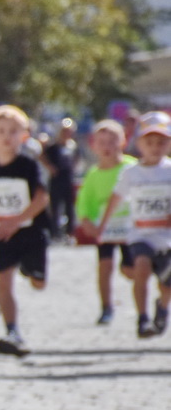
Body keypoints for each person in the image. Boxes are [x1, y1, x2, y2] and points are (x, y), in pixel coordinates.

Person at [0, 104, 50, 357]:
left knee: (38, 283)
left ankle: (32, 270)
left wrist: (16, 220)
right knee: (4, 283)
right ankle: (12, 331)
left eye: (13, 131)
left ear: (24, 135)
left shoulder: (29, 165)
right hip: (0, 234)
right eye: (0, 131)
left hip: (30, 233)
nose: (6, 136)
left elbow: (41, 199)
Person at [96, 110, 171, 338]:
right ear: (139, 143)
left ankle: (162, 307)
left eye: (161, 142)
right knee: (141, 267)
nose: (155, 147)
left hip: (167, 237)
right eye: (150, 141)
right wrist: (102, 227)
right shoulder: (131, 173)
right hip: (141, 234)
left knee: (167, 284)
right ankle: (143, 319)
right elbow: (115, 199)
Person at [74, 119, 136, 324]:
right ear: (94, 145)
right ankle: (106, 307)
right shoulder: (93, 174)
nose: (107, 146)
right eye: (102, 142)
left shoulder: (132, 168)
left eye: (112, 141)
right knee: (104, 266)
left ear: (123, 142)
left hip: (130, 229)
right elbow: (84, 201)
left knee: (131, 270)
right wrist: (86, 221)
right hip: (105, 229)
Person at [39, 117, 79, 238]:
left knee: (70, 207)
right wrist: (50, 168)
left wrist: (74, 167)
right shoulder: (53, 147)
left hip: (68, 178)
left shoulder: (72, 146)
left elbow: (77, 157)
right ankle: (55, 232)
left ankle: (69, 232)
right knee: (55, 206)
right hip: (56, 179)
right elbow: (42, 156)